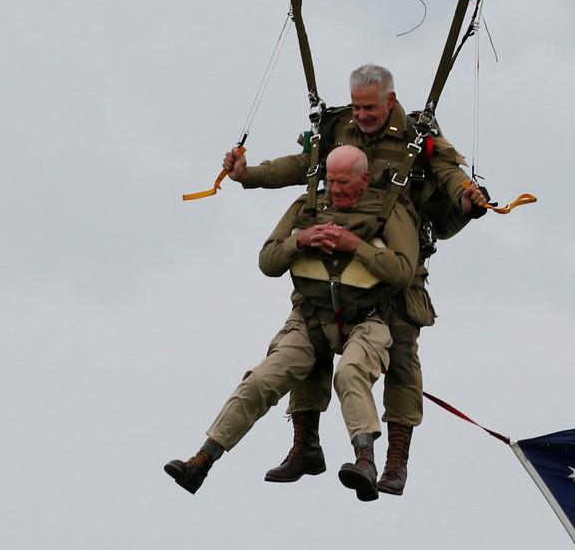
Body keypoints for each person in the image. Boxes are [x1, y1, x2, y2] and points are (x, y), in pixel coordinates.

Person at [221, 63, 487, 495]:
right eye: (358, 106)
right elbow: (305, 166)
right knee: (311, 340)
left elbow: (449, 173)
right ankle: (305, 447)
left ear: (391, 101)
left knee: (400, 359)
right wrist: (250, 176)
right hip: (336, 266)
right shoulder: (340, 128)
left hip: (393, 262)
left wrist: (466, 196)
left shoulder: (419, 137)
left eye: (370, 108)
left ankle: (395, 462)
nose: (362, 115)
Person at [165, 146, 418, 501]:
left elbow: (403, 272)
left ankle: (365, 460)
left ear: (364, 179)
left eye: (344, 183)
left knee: (350, 372)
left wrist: (355, 245)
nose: (336, 190)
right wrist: (300, 240)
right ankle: (203, 460)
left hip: (367, 318)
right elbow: (268, 261)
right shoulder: (307, 207)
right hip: (310, 317)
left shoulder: (391, 210)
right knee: (262, 379)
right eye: (330, 182)